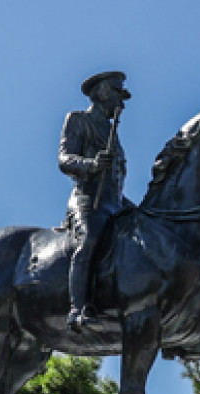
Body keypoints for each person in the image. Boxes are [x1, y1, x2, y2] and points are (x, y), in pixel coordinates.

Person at [59, 69, 133, 332]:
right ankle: (77, 309)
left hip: (115, 203)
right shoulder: (79, 120)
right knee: (90, 238)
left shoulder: (113, 131)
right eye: (117, 93)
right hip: (87, 198)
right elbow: (65, 159)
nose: (121, 103)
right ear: (101, 92)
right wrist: (92, 164)